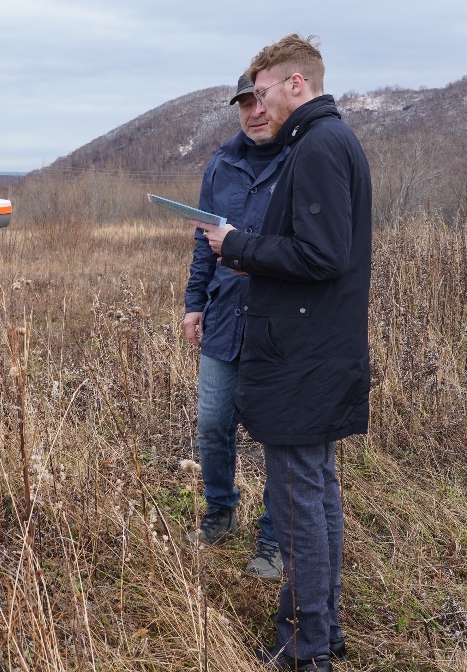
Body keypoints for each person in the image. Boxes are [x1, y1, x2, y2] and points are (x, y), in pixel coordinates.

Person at [195, 34, 371, 671]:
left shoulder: (320, 146)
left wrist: (237, 246)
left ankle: (304, 649)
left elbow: (321, 256)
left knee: (300, 507)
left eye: (263, 90)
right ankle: (324, 630)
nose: (257, 103)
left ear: (296, 83)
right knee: (316, 493)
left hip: (303, 359)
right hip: (314, 354)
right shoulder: (326, 141)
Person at [183, 73, 285, 581]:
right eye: (245, 104)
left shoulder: (300, 160)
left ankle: (274, 537)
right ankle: (221, 510)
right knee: (211, 422)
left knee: (276, 434)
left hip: (278, 324)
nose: (254, 112)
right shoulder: (221, 164)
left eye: (261, 101)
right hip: (223, 317)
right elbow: (205, 241)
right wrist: (193, 303)